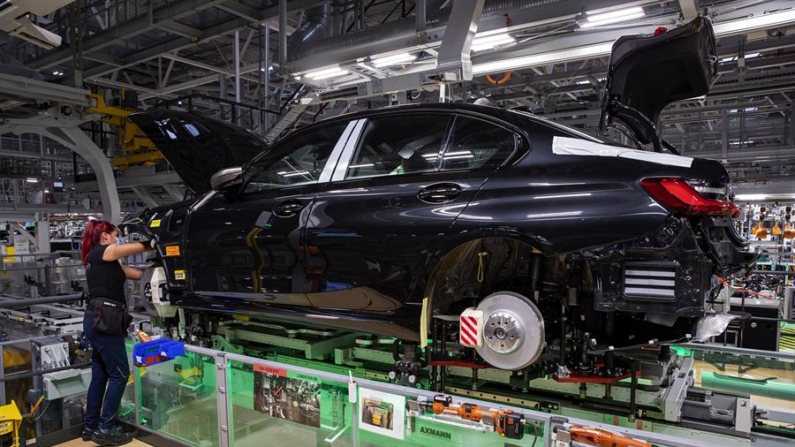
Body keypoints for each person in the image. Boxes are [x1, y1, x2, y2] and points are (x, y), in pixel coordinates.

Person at [81, 219, 152, 446]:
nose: (118, 238)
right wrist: (156, 242)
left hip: (96, 321)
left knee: (101, 375)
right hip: (105, 323)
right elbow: (139, 247)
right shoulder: (104, 251)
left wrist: (160, 267)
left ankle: (91, 426)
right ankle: (105, 428)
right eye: (115, 234)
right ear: (105, 236)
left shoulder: (102, 261)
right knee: (120, 374)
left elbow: (137, 274)